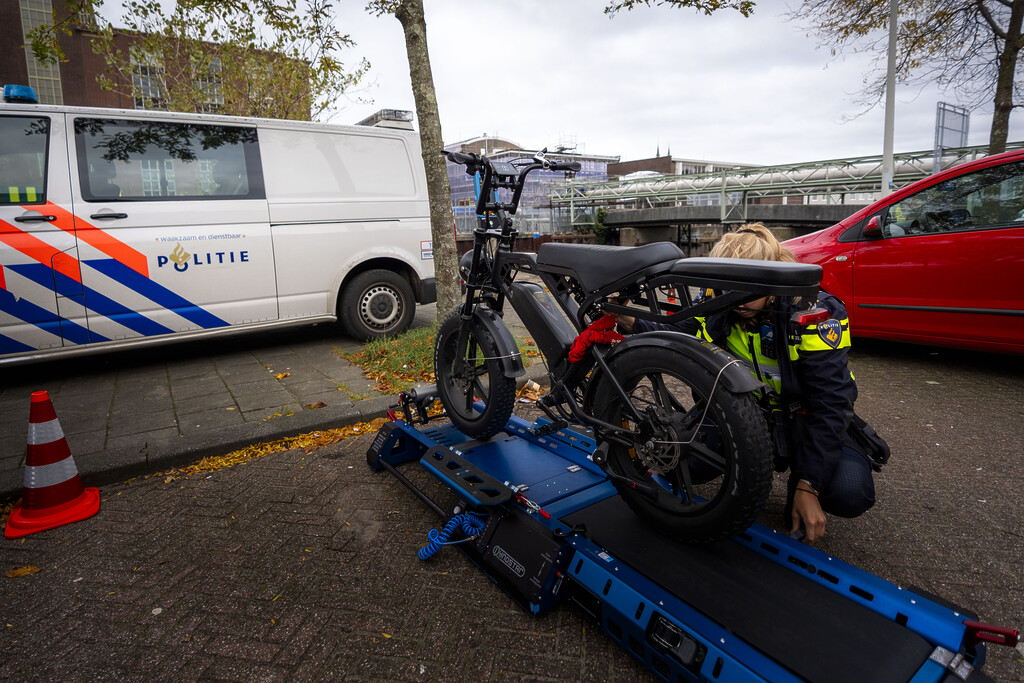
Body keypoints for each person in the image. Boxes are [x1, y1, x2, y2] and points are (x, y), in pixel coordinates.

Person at [613, 223, 877, 544]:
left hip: (804, 421)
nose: (737, 300)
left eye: (749, 288)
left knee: (850, 492)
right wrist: (632, 321)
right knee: (682, 466)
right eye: (728, 287)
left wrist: (809, 484)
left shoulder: (814, 311)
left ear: (772, 274)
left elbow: (832, 402)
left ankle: (803, 478)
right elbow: (678, 331)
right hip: (743, 416)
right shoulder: (717, 299)